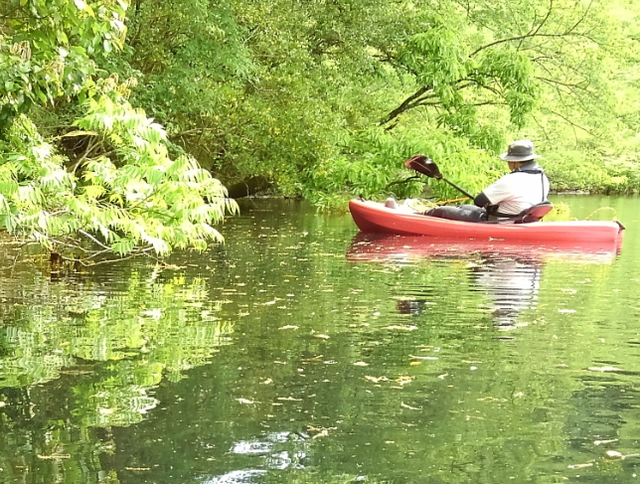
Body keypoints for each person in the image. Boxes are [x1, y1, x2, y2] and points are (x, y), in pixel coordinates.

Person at [423, 139, 550, 222]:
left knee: (441, 211)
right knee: (463, 206)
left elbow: (479, 201)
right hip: (518, 217)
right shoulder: (542, 177)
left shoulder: (512, 179)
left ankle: (417, 217)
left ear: (514, 162)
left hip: (499, 221)